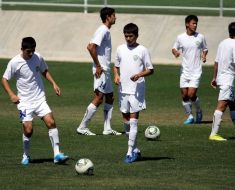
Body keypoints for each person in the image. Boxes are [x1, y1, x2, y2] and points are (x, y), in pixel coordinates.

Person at [2, 37, 69, 165]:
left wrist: (54, 84)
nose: (31, 53)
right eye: (28, 51)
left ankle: (57, 155)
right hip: (24, 103)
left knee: (51, 122)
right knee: (28, 130)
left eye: (33, 50)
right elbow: (4, 79)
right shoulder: (14, 62)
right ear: (22, 49)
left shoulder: (38, 57)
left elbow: (44, 71)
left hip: (39, 99)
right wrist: (11, 94)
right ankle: (26, 155)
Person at [76, 7, 121, 136]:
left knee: (110, 97)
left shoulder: (105, 30)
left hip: (105, 69)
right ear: (108, 17)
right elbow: (90, 47)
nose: (115, 17)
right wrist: (98, 65)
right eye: (113, 15)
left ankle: (107, 128)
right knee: (99, 98)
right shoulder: (102, 30)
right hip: (101, 69)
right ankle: (82, 127)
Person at [114, 23, 154, 163]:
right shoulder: (120, 49)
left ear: (136, 36)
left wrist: (139, 74)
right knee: (126, 122)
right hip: (123, 89)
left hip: (137, 89)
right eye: (126, 36)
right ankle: (136, 149)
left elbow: (150, 69)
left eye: (131, 36)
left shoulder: (143, 50)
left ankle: (129, 152)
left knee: (133, 121)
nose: (128, 38)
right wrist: (116, 76)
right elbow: (116, 65)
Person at [209, 22, 235, 141]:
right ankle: (213, 134)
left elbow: (216, 62)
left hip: (223, 79)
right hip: (227, 80)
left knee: (233, 106)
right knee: (221, 107)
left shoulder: (222, 43)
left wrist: (214, 77)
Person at [172, 15, 208, 125]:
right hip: (185, 70)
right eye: (193, 23)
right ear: (187, 24)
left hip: (196, 70)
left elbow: (205, 48)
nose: (195, 25)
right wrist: (176, 53)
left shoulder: (200, 37)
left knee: (191, 94)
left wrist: (204, 55)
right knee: (184, 95)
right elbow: (174, 48)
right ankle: (190, 116)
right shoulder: (180, 37)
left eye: (196, 23)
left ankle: (199, 111)